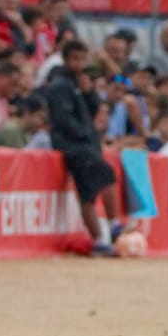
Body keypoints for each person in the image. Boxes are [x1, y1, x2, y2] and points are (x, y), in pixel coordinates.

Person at [44, 40, 127, 254]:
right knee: (101, 179)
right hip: (75, 146)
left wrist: (89, 91)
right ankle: (110, 228)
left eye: (83, 58)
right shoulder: (60, 84)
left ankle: (102, 237)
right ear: (66, 59)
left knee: (89, 191)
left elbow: (99, 104)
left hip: (84, 143)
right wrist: (86, 135)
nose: (79, 64)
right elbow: (63, 119)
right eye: (75, 59)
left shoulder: (81, 81)